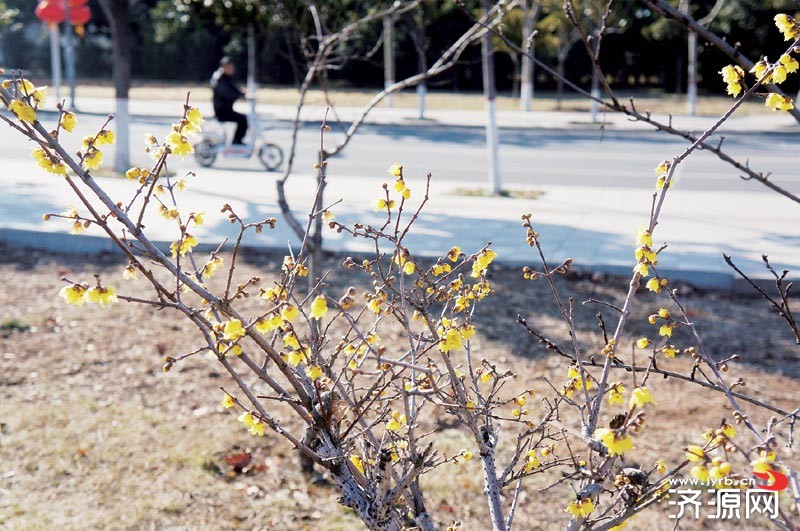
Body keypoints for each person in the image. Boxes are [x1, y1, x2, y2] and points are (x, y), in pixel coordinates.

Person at [210, 57, 248, 146]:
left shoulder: (225, 77)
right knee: (242, 119)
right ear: (224, 67)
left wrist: (243, 95)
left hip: (225, 109)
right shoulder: (219, 78)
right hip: (222, 111)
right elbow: (226, 92)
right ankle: (237, 141)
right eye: (230, 67)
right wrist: (239, 96)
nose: (232, 69)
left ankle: (237, 140)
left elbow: (233, 89)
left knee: (242, 118)